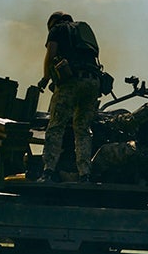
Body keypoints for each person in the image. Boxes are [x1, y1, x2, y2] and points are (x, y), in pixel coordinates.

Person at [37, 11, 102, 183]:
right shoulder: (82, 31)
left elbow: (51, 54)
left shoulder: (57, 29)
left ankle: (48, 171)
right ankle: (84, 174)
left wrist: (45, 78)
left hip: (72, 82)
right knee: (82, 130)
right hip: (94, 82)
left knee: (56, 126)